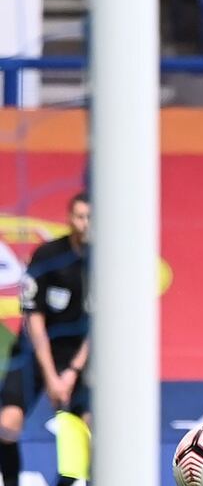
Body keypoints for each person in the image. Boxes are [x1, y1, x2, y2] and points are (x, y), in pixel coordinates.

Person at [0, 193, 91, 486]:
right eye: (79, 216)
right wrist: (52, 376)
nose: (85, 223)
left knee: (85, 431)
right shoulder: (48, 256)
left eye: (91, 217)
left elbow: (100, 328)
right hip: (35, 351)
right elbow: (34, 319)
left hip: (79, 356)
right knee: (6, 425)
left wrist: (72, 372)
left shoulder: (106, 264)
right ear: (69, 218)